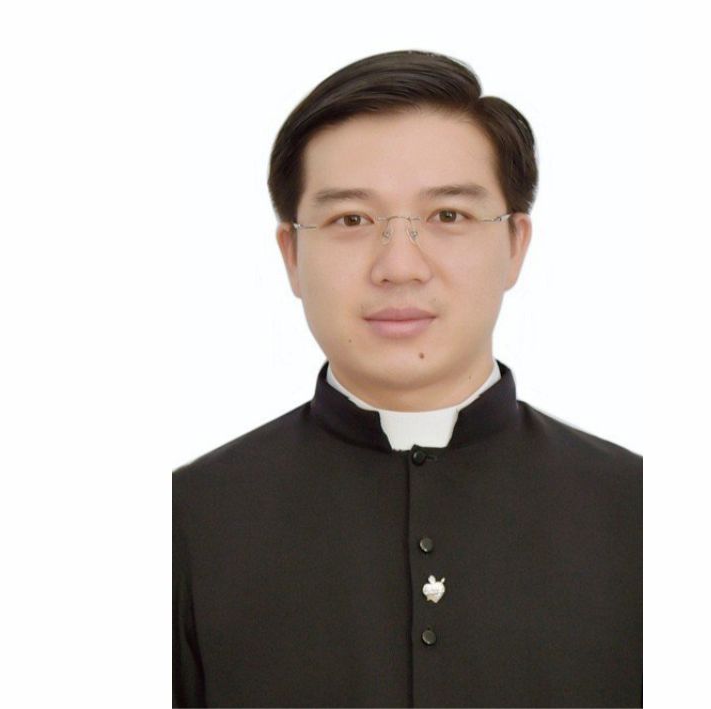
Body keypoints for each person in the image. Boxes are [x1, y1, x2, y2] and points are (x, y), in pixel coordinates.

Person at [173, 49, 642, 708]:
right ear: (292, 254)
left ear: (515, 244)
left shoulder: (640, 511)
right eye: (351, 220)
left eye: (447, 216)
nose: (399, 266)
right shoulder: (185, 523)